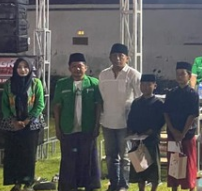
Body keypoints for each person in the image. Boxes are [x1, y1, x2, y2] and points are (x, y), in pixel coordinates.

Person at [53, 53, 102, 191]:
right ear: (69, 68)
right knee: (68, 159)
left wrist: (97, 125)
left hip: (87, 127)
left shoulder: (94, 83)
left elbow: (98, 106)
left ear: (86, 67)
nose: (77, 69)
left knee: (88, 158)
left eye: (80, 66)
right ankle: (68, 186)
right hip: (68, 127)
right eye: (74, 66)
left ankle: (89, 185)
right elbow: (57, 106)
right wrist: (57, 128)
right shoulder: (62, 84)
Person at [99, 43, 142, 191]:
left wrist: (136, 122)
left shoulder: (133, 74)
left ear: (127, 58)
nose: (117, 58)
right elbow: (102, 97)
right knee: (110, 156)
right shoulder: (104, 74)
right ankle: (113, 183)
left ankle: (123, 184)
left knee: (125, 157)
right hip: (107, 121)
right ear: (110, 57)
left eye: (121, 56)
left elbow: (139, 98)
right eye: (114, 56)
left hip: (125, 122)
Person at [1, 58, 45, 191]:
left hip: (31, 125)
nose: (22, 70)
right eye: (19, 67)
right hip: (12, 125)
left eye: (25, 67)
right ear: (15, 69)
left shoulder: (36, 83)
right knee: (13, 154)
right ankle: (16, 182)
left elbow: (40, 104)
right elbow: (4, 104)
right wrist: (13, 121)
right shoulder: (9, 84)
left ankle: (27, 182)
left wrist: (27, 120)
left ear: (30, 69)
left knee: (28, 154)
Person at [164, 61, 199, 191]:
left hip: (187, 135)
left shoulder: (192, 94)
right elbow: (166, 113)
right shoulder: (171, 93)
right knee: (173, 162)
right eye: (177, 74)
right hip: (173, 134)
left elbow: (192, 115)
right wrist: (173, 131)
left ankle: (190, 187)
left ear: (189, 76)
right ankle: (174, 188)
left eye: (182, 74)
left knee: (188, 163)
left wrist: (182, 133)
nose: (179, 77)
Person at [127, 74, 165, 191]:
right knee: (140, 169)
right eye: (143, 84)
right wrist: (132, 134)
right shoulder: (136, 102)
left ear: (154, 86)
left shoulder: (158, 103)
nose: (146, 87)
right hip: (138, 140)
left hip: (151, 140)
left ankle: (153, 188)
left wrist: (150, 131)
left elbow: (160, 121)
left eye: (149, 84)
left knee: (153, 168)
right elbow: (131, 119)